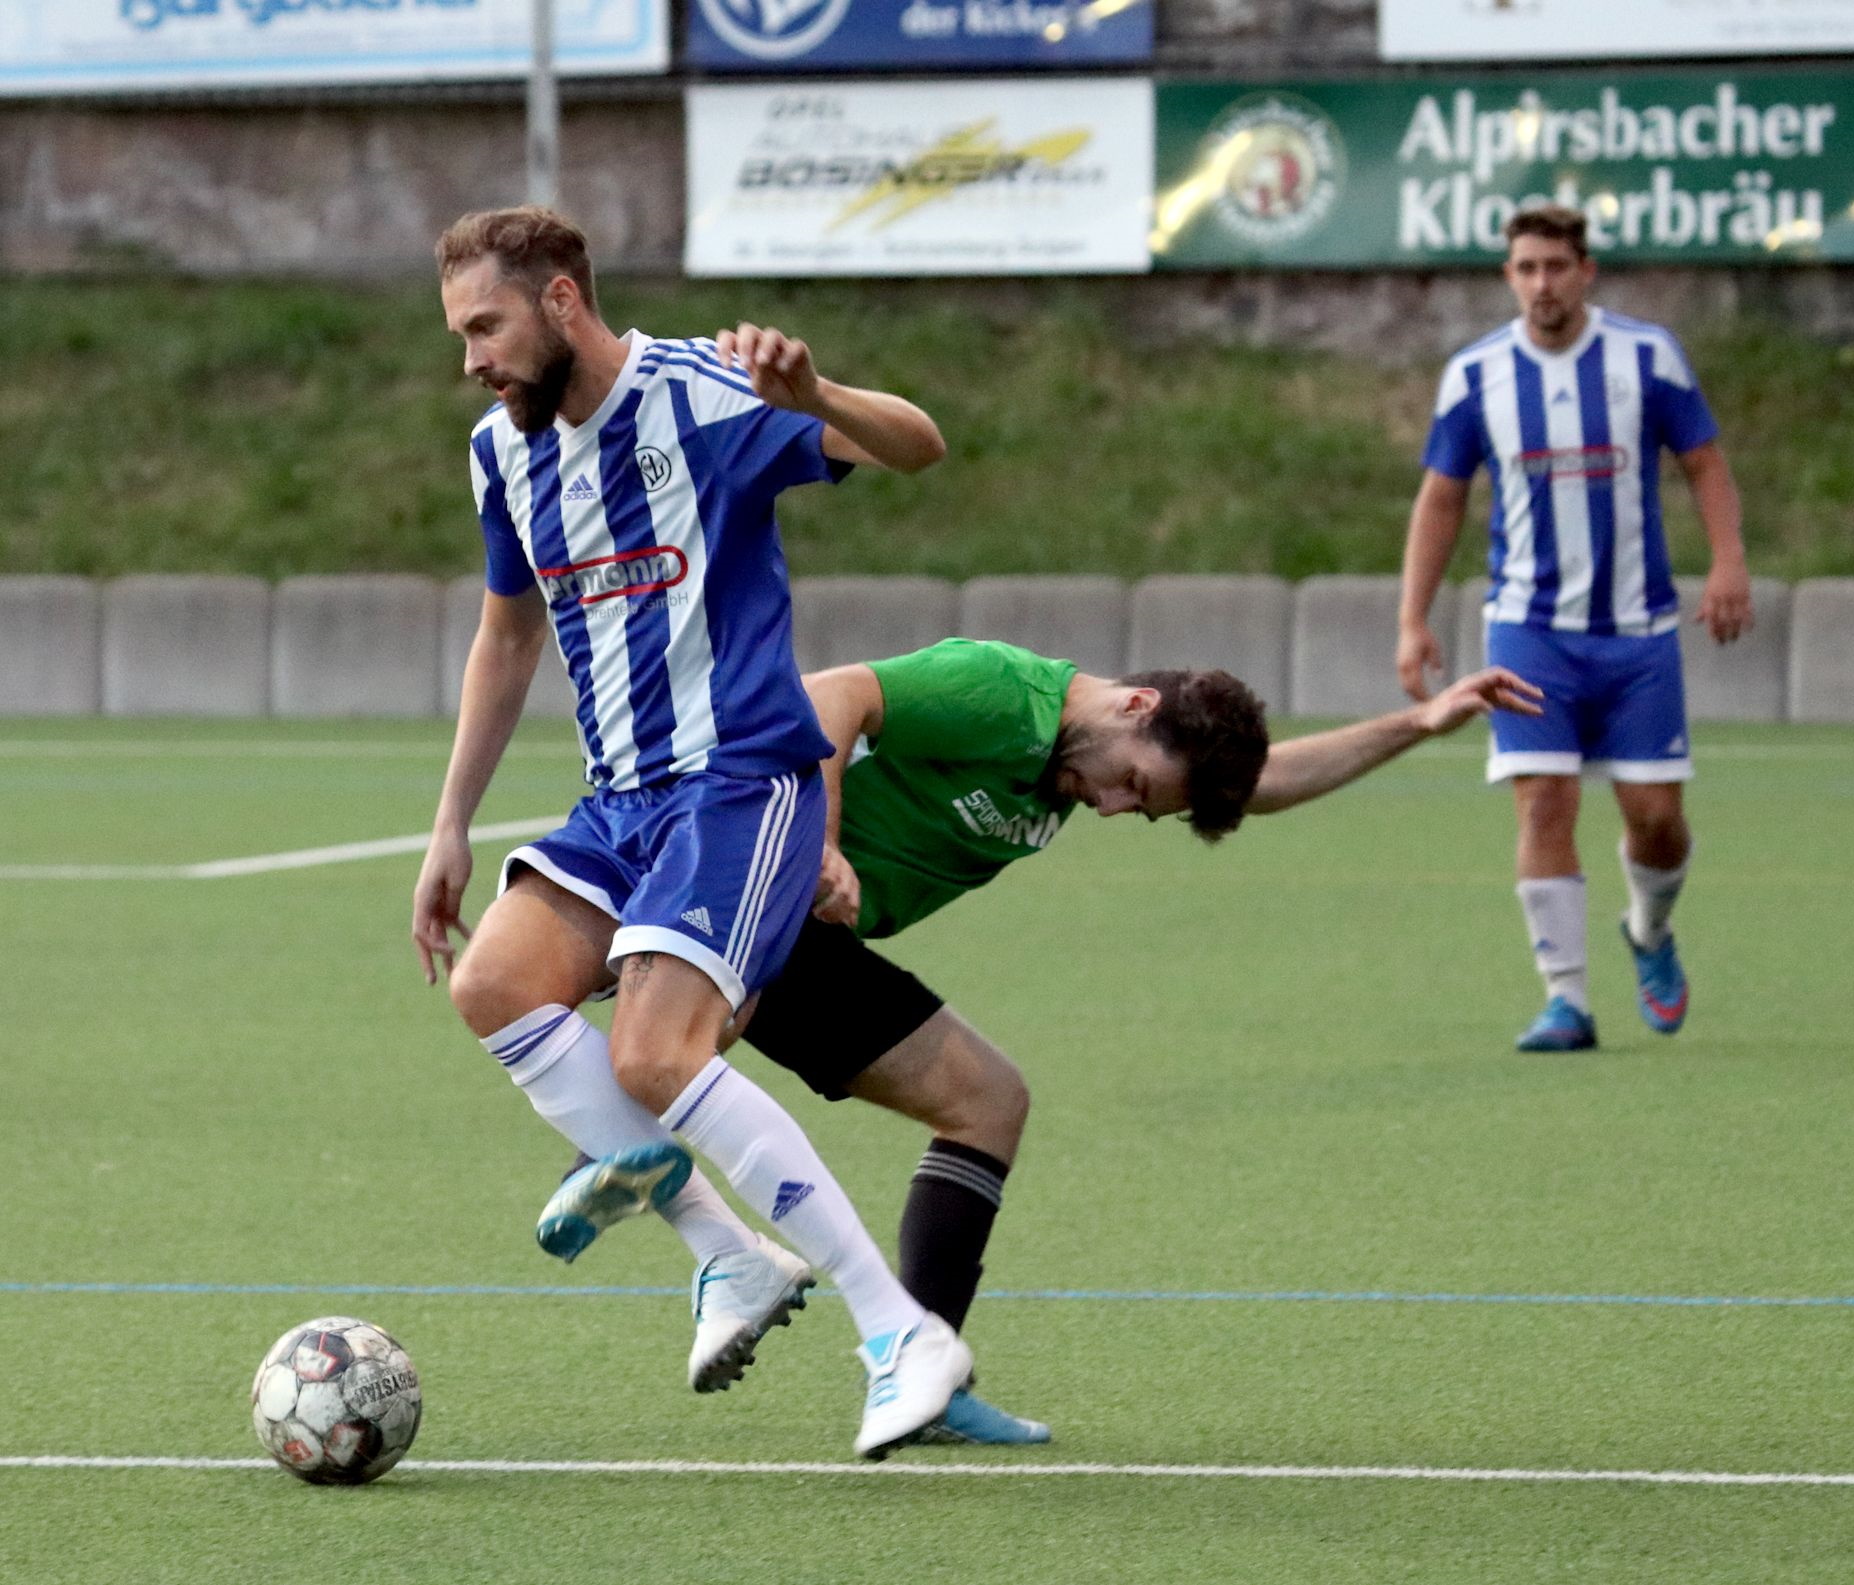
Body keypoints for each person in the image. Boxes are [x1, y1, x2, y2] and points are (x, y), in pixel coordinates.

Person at [557, 638, 1541, 1443]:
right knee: (695, 1050)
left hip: (809, 936)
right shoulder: (1006, 694)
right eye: (1131, 785)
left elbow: (1266, 779)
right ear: (1137, 707)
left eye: (1138, 811)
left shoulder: (1085, 758)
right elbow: (833, 696)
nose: (1113, 807)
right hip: (770, 892)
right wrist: (820, 846)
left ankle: (905, 1360)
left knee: (986, 1102)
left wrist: (1420, 720)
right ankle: (625, 1150)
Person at [409, 205, 971, 1459]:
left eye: (485, 327)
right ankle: (728, 1253)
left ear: (561, 303)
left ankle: (900, 1331)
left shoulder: (706, 393)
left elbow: (921, 448)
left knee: (654, 1055)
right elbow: (508, 634)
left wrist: (814, 386)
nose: (470, 360)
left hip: (741, 780)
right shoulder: (503, 455)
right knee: (495, 983)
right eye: (457, 336)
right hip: (621, 800)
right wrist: (449, 821)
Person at [1395, 203, 1754, 1053]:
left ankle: (1650, 933)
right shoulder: (1476, 375)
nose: (1541, 283)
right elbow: (1441, 496)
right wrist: (1412, 617)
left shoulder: (1647, 357)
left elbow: (1703, 460)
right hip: (1527, 628)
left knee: (1655, 816)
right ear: (1508, 276)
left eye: (1556, 266)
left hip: (1636, 630)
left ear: (1586, 272)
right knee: (1544, 798)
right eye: (1525, 267)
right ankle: (1566, 999)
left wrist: (1731, 559)